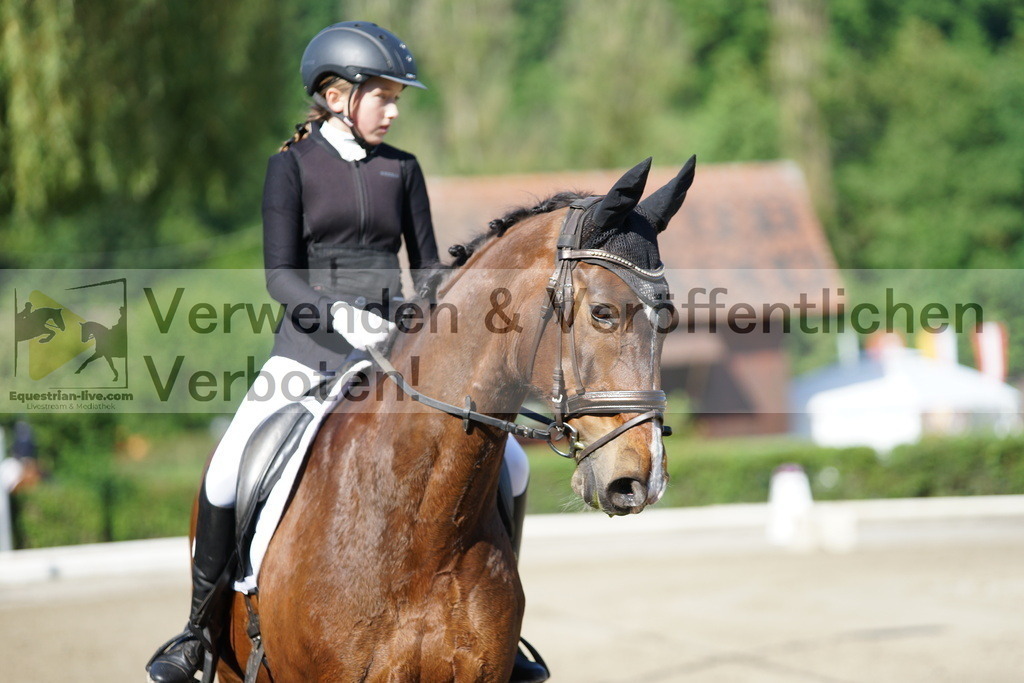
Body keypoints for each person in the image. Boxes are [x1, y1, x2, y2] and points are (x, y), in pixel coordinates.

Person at [147, 21, 546, 683]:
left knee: (510, 460)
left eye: (397, 99)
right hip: (310, 351)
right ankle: (197, 633)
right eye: (382, 96)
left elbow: (427, 272)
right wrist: (337, 314)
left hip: (396, 354)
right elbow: (280, 274)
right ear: (336, 96)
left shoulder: (403, 169)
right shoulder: (291, 168)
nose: (393, 110)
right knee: (226, 468)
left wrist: (429, 327)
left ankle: (508, 623)